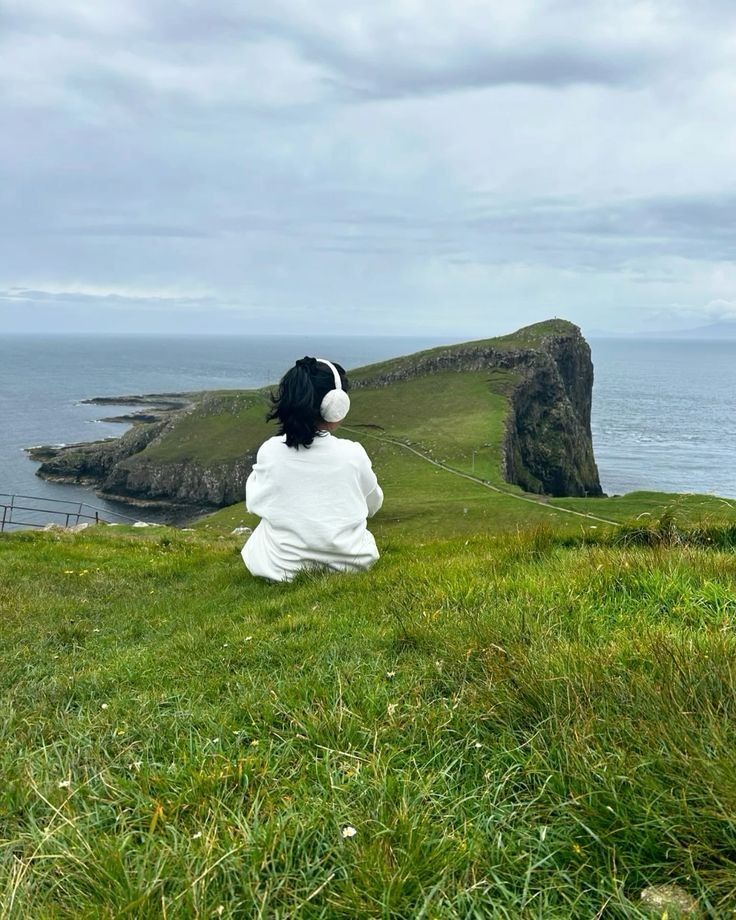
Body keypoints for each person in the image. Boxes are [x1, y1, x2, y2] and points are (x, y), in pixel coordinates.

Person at [241, 356, 383, 582]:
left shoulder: (270, 451)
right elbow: (373, 503)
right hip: (352, 566)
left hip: (281, 570)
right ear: (337, 404)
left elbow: (254, 503)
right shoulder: (353, 453)